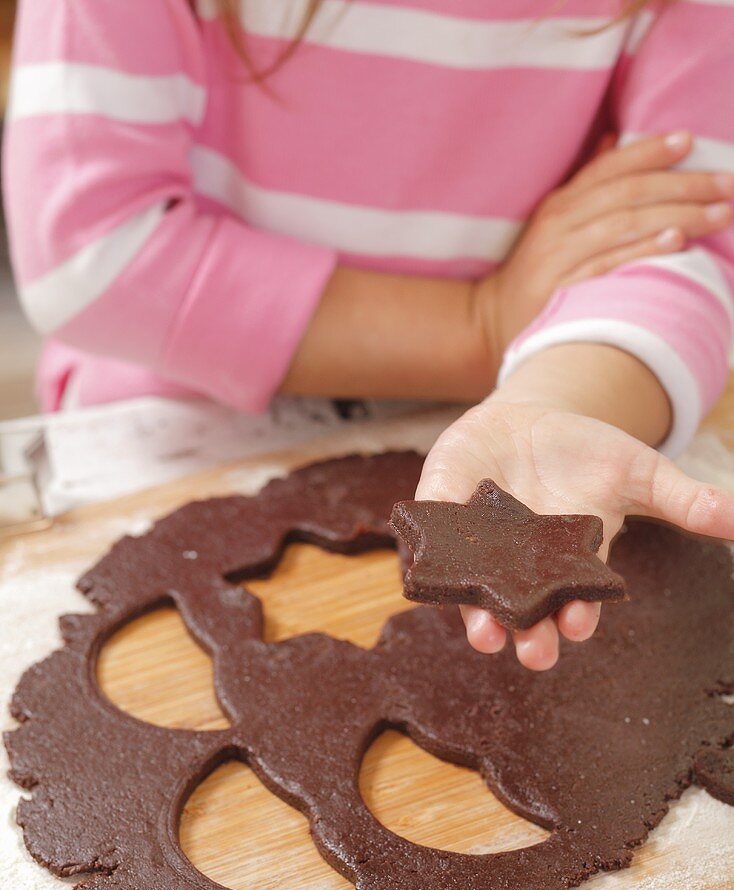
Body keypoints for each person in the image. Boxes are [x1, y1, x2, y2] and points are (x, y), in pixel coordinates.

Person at [4, 0, 734, 670]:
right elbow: (89, 249)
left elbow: (678, 238)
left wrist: (557, 398)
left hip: (506, 431)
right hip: (170, 422)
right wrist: (473, 326)